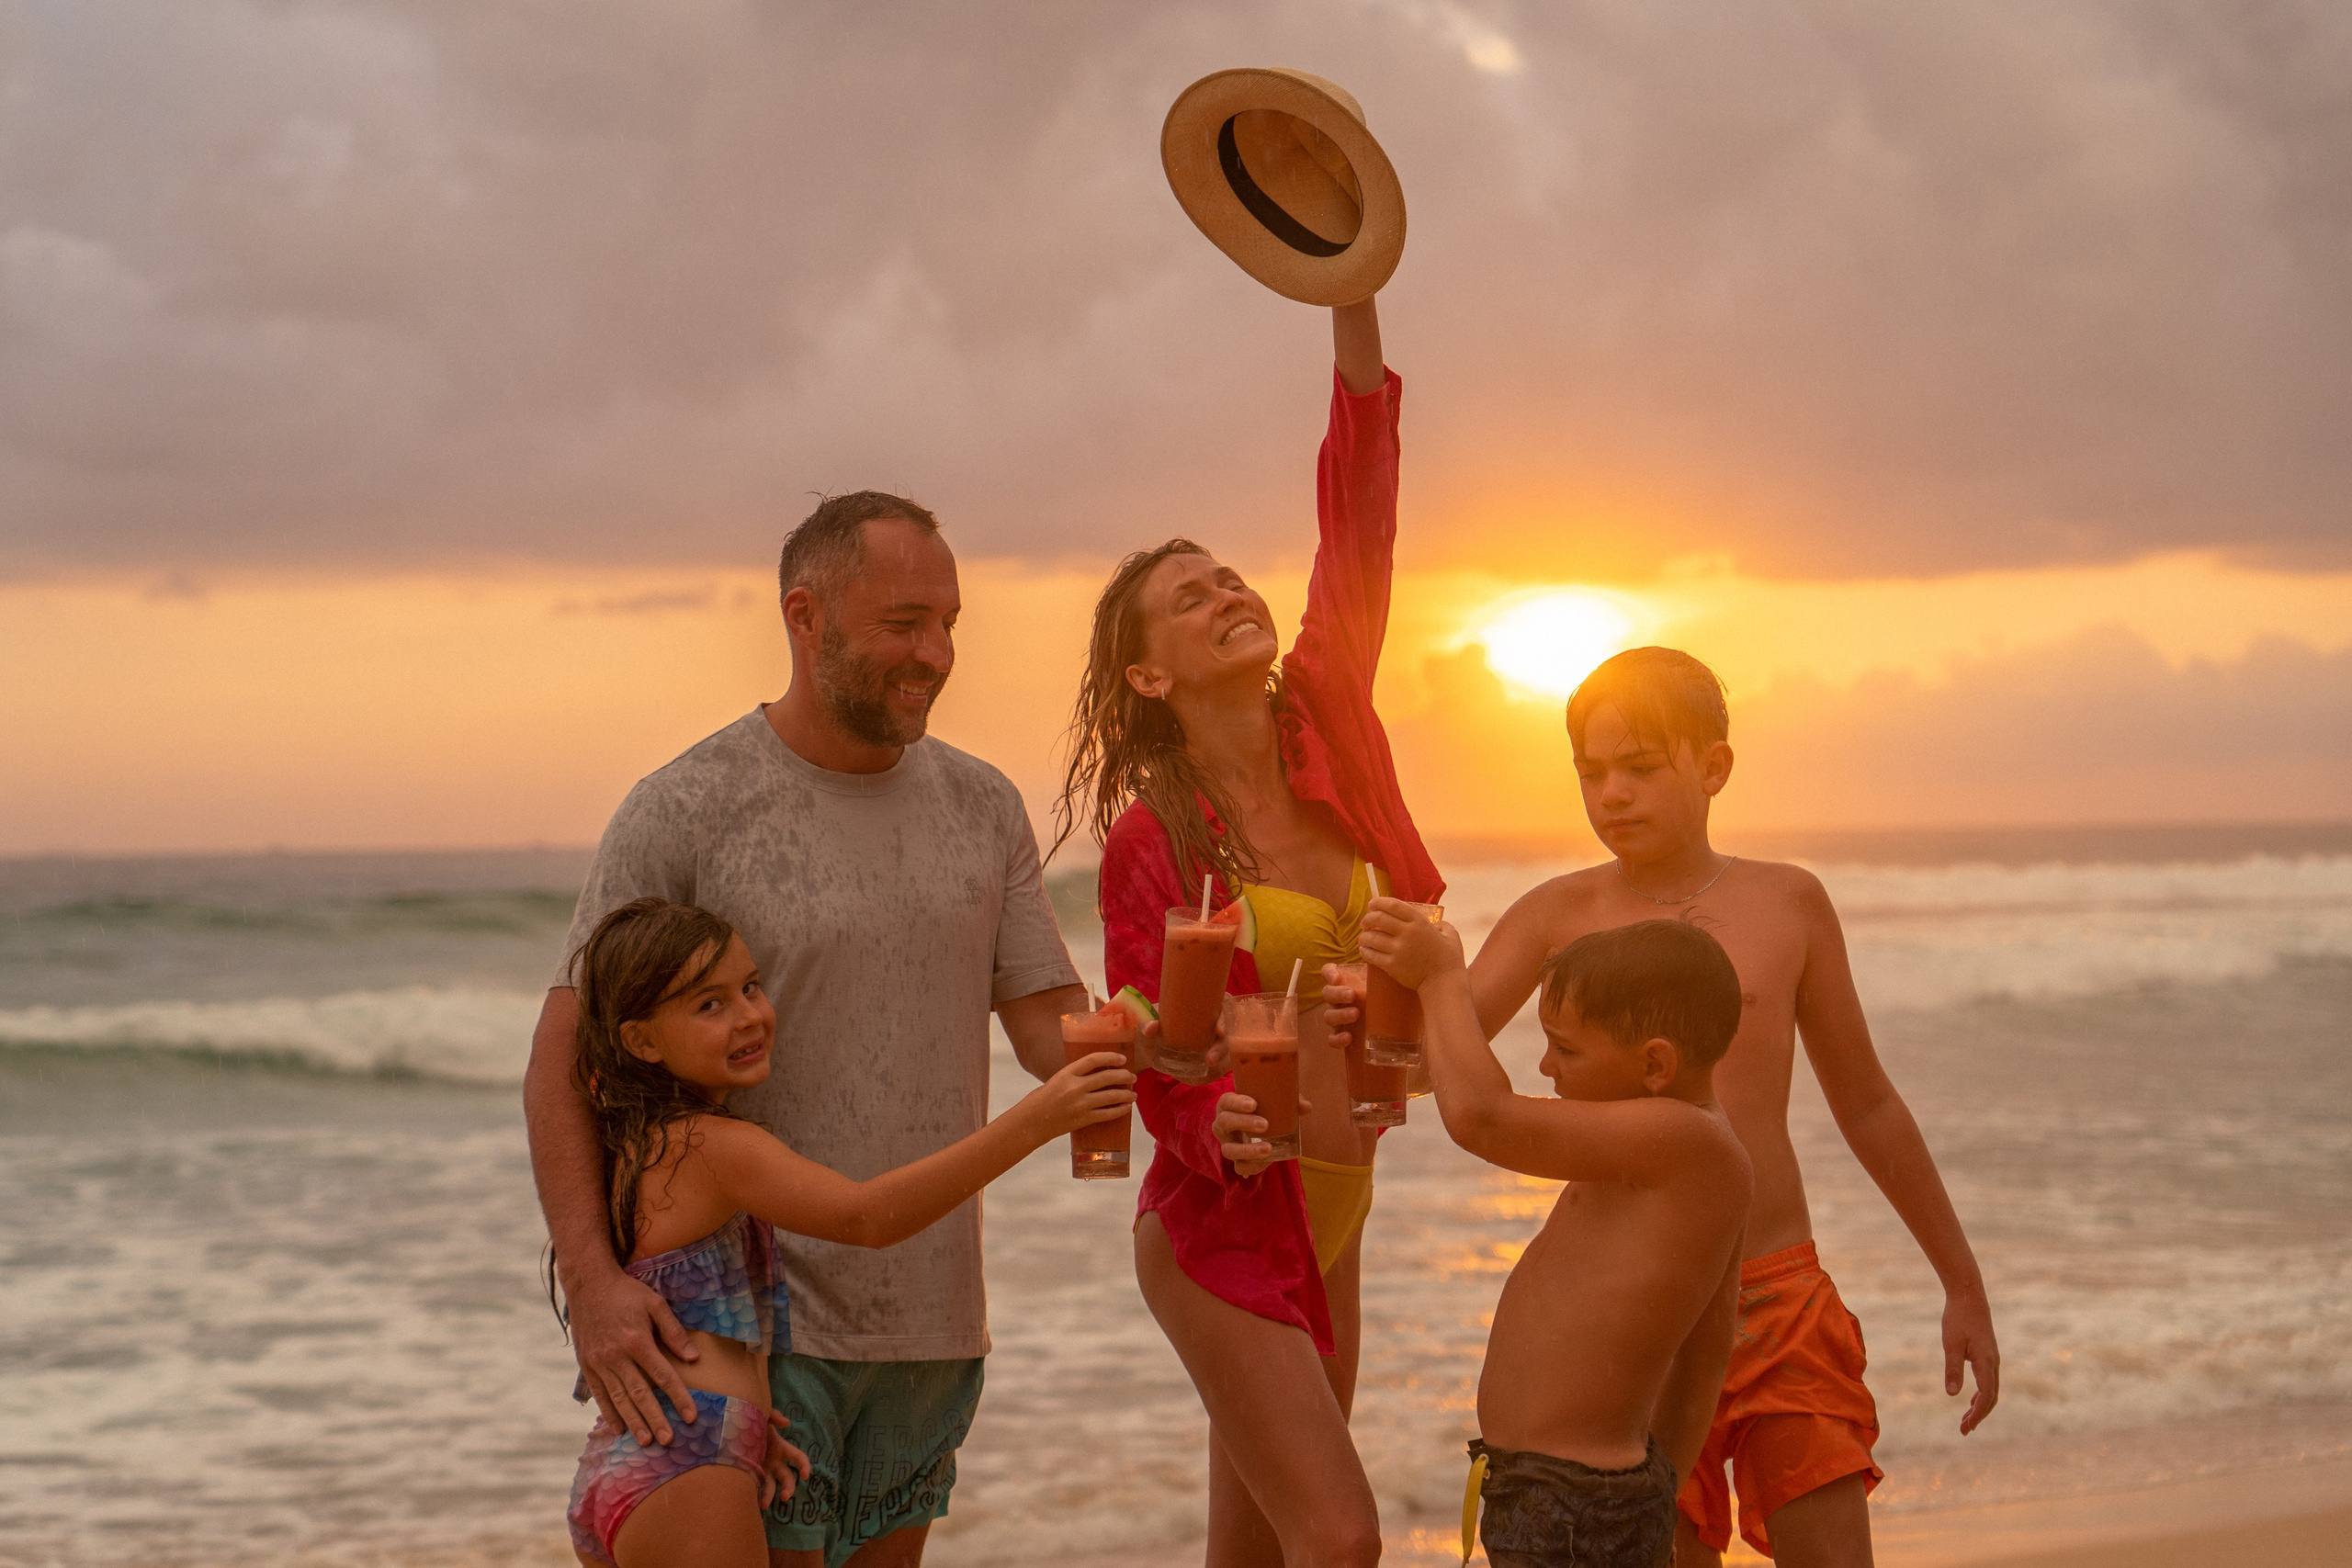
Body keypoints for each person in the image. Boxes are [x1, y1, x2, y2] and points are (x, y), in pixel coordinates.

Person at [525, 492, 1094, 1568]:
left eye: (951, 624)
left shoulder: (985, 805)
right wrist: (596, 1288)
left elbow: (1050, 1031)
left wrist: (1164, 1041)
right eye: (903, 624)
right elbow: (559, 1066)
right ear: (806, 617)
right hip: (753, 1346)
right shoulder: (685, 806)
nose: (935, 652)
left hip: (933, 1332)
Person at [1337, 647, 2000, 1566]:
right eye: (1591, 773)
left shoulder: (1788, 902)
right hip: (1642, 1321)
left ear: (1713, 766)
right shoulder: (1552, 914)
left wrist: (1959, 1282)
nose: (1612, 794)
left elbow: (1869, 1103)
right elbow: (1435, 1065)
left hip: (1777, 1295)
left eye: (1640, 769)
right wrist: (1357, 1014)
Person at [1054, 294, 1441, 1567]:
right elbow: (1149, 1042)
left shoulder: (1328, 716)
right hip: (1223, 1220)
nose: (1226, 588)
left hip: (1342, 1195)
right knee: (1338, 1537)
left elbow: (1358, 523)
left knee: (1263, 1552)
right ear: (1149, 676)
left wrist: (1352, 303)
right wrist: (1200, 1115)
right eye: (1187, 596)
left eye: (1226, 572)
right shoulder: (1151, 842)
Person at [558, 897, 1134, 1568]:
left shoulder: (637, 1145)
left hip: (650, 1456)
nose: (747, 1015)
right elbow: (866, 1216)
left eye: (749, 986)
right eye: (708, 1004)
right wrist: (1039, 1117)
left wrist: (747, 1425)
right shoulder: (714, 1146)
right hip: (690, 1462)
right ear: (642, 1040)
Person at [1358, 913, 1752, 1568]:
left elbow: (1485, 1118)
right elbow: (1707, 1353)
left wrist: (1440, 978)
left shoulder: (1688, 1142)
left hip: (1573, 1500)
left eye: (1565, 1049)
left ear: (1656, 1063)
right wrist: (1657, 1492)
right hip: (1572, 1491)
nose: (1545, 1065)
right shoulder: (1680, 1151)